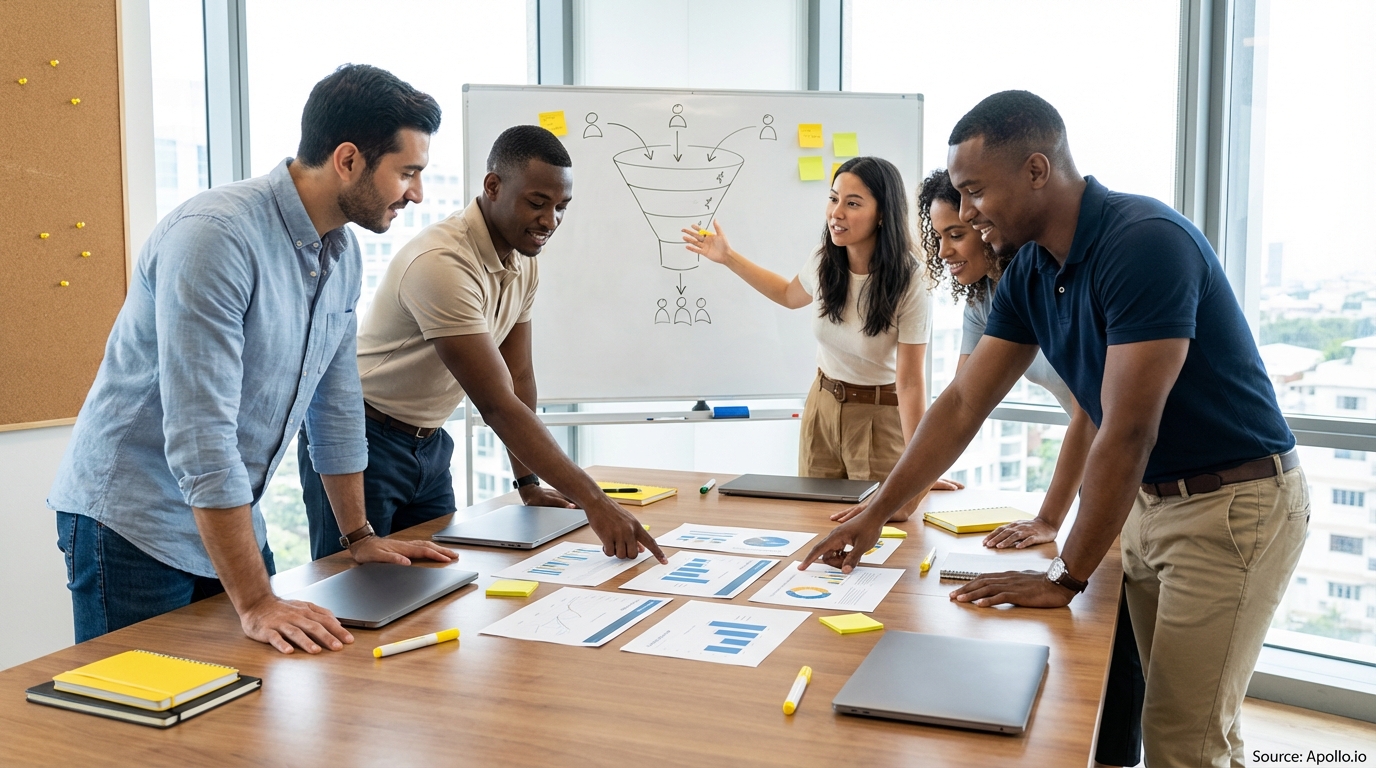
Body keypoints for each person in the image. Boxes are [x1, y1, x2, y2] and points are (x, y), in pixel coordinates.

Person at [802, 91, 1305, 767]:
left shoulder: (1144, 243)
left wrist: (1066, 575)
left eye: (976, 191)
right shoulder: (1033, 271)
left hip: (1228, 508)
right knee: (1188, 723)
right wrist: (879, 512)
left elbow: (1126, 430)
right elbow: (961, 405)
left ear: (1037, 170)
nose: (969, 212)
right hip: (1150, 505)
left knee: (1186, 740)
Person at [48, 64, 458, 655]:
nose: (415, 194)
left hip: (229, 521)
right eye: (408, 172)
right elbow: (201, 436)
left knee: (242, 710)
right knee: (140, 735)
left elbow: (337, 407)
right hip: (134, 526)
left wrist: (359, 536)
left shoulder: (339, 255)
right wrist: (257, 600)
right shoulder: (216, 236)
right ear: (348, 160)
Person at [300, 125, 666, 566]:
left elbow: (519, 378)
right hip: (365, 440)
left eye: (561, 207)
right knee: (355, 590)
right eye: (537, 203)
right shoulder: (443, 262)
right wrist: (596, 502)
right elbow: (496, 404)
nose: (550, 221)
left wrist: (528, 482)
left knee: (436, 583)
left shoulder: (522, 257)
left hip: (430, 444)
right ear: (493, 186)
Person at [682, 157, 958, 512]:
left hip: (879, 418)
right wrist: (727, 256)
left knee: (889, 522)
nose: (836, 213)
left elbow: (909, 384)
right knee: (814, 517)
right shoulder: (824, 260)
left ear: (882, 214)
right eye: (833, 199)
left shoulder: (911, 281)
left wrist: (922, 463)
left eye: (852, 203)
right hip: (822, 407)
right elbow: (786, 294)